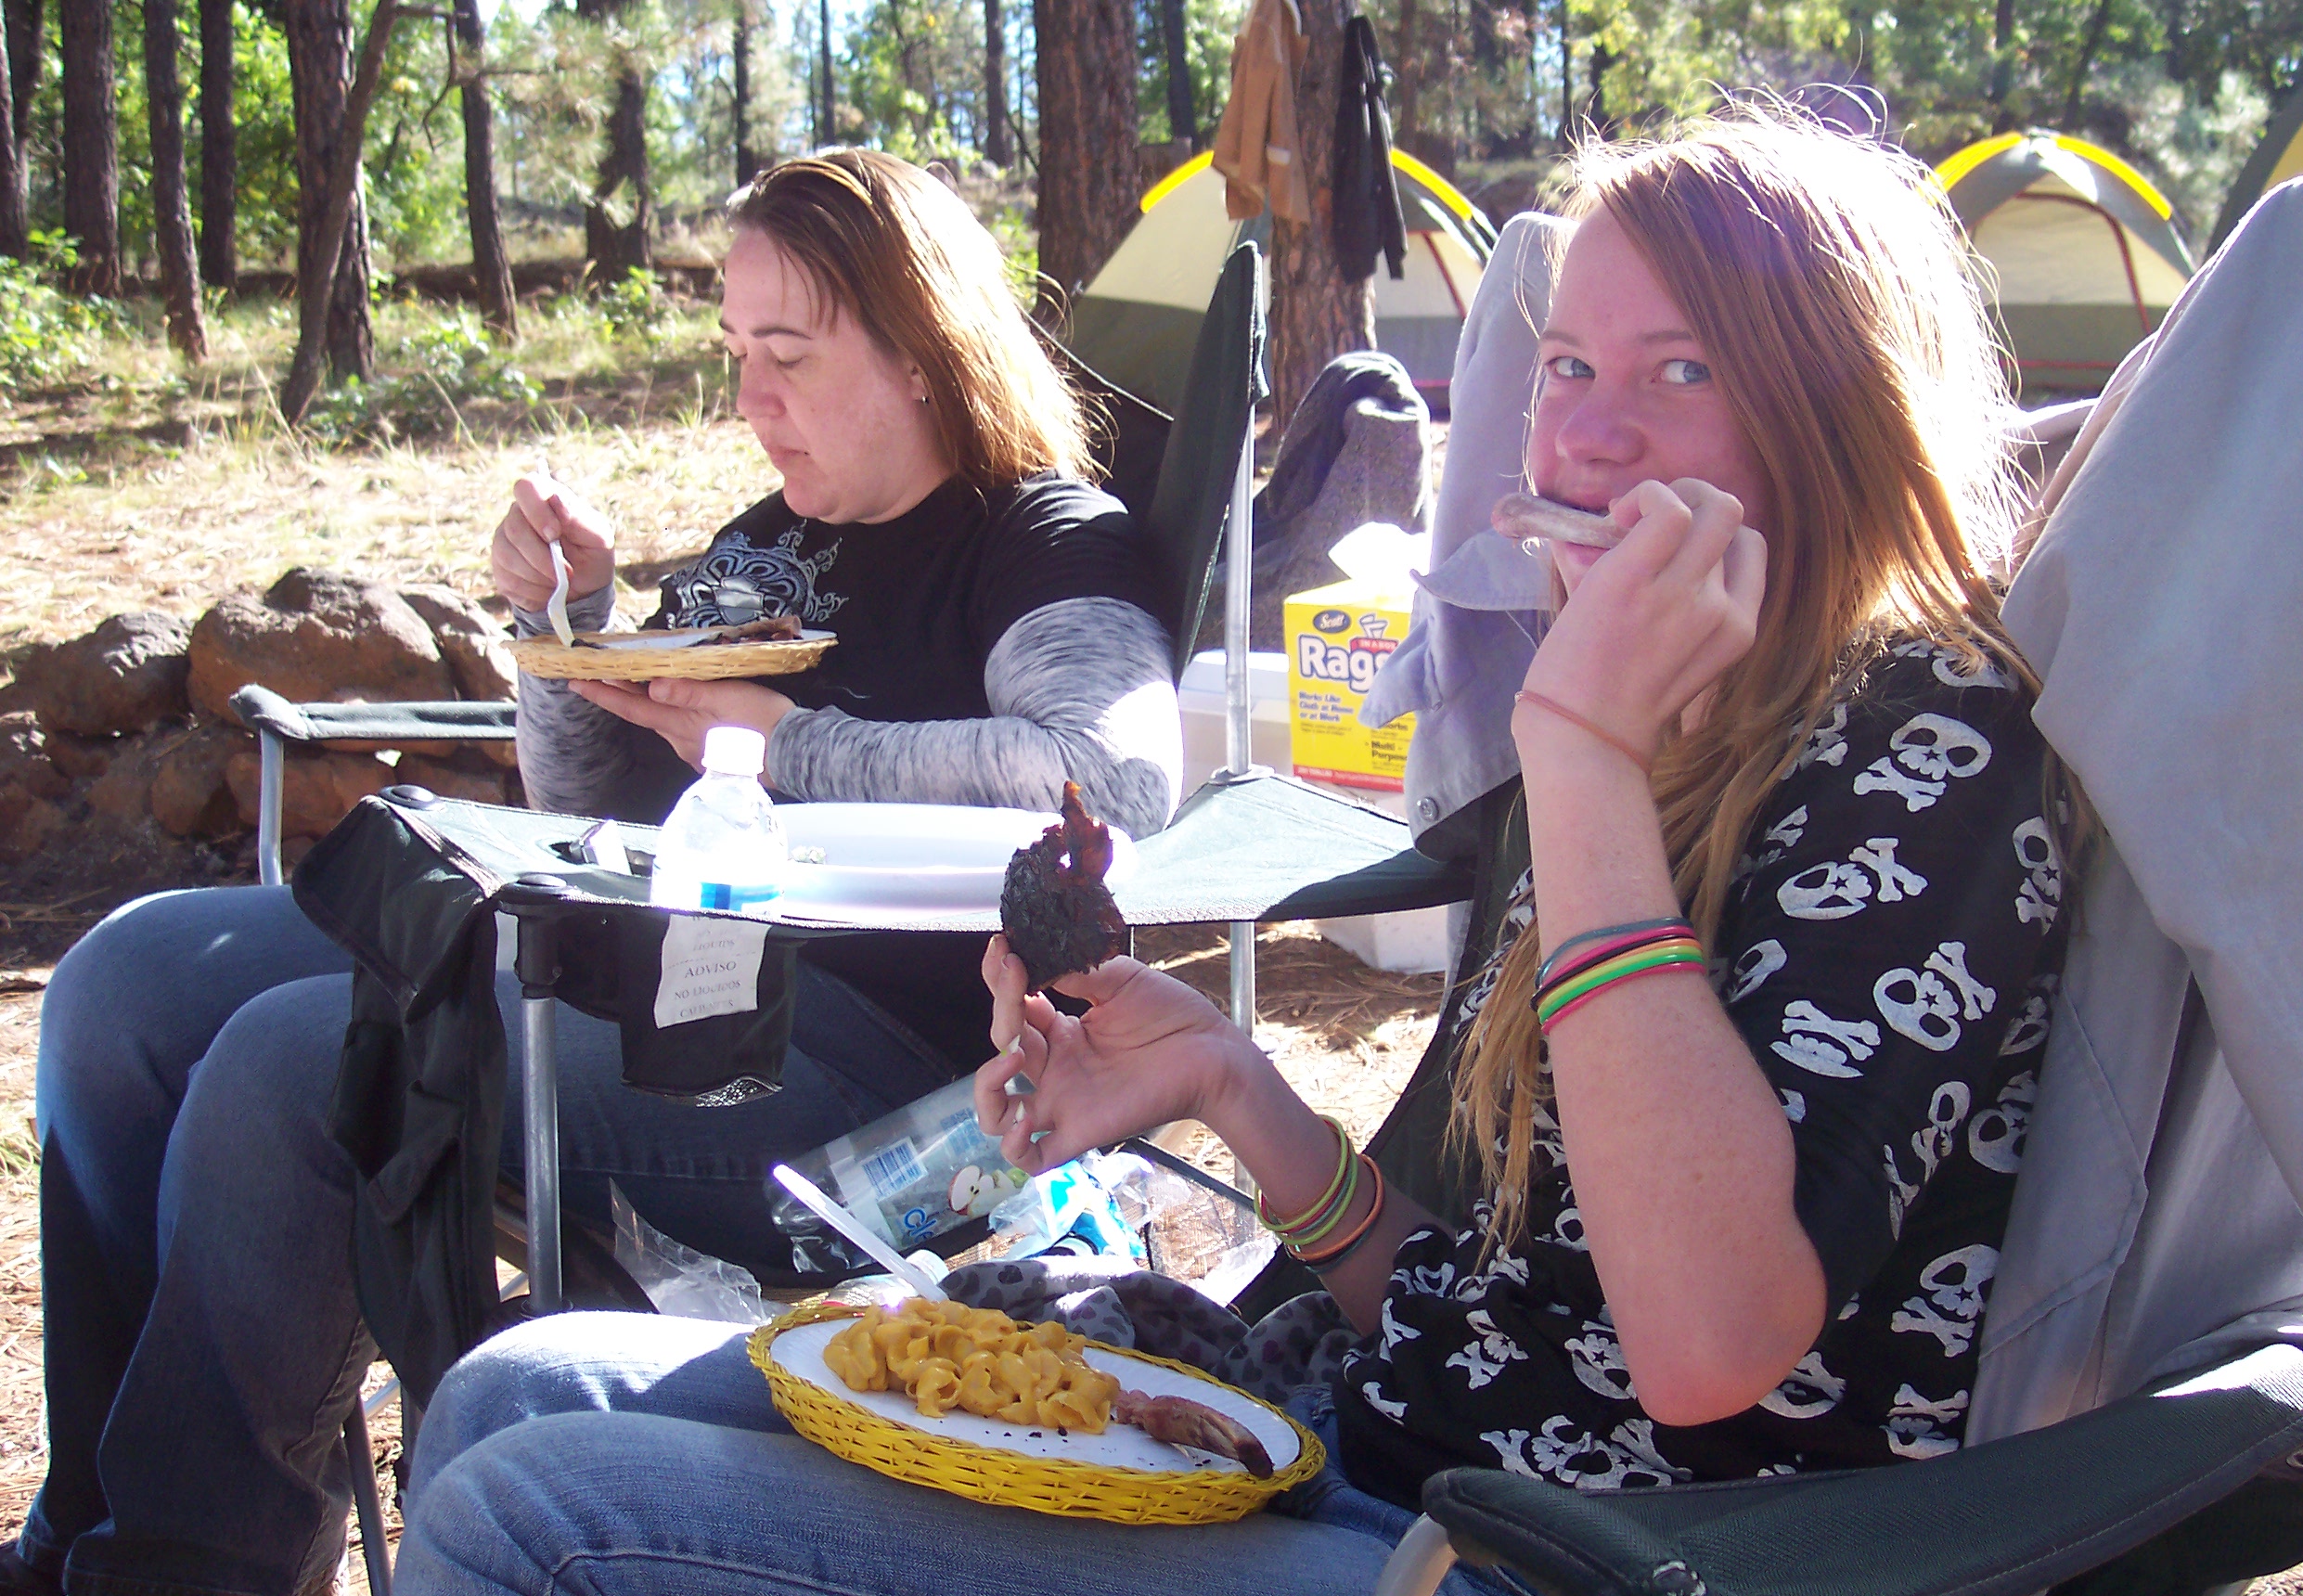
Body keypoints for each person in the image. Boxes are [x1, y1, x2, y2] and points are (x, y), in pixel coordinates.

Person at [392, 109, 2070, 1596]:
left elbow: (1699, 1352)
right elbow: (1516, 1325)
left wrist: (1575, 755)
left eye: (1682, 372)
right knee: (515, 1394)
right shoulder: (1686, 736)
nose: (1587, 437)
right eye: (1567, 368)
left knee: (533, 1509)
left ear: (1840, 416)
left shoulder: (1924, 749)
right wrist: (1230, 1083)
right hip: (1369, 1440)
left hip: (1562, 1560)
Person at [6, 150, 1182, 1596]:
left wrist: (784, 741)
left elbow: (1109, 779)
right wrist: (569, 630)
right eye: (736, 351)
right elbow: (594, 806)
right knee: (124, 984)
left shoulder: (1041, 541)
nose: (752, 399)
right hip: (642, 964)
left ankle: (187, 1568)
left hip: (883, 1089)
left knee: (300, 1059)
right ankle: (80, 1532)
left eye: (790, 356)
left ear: (925, 354)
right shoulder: (767, 550)